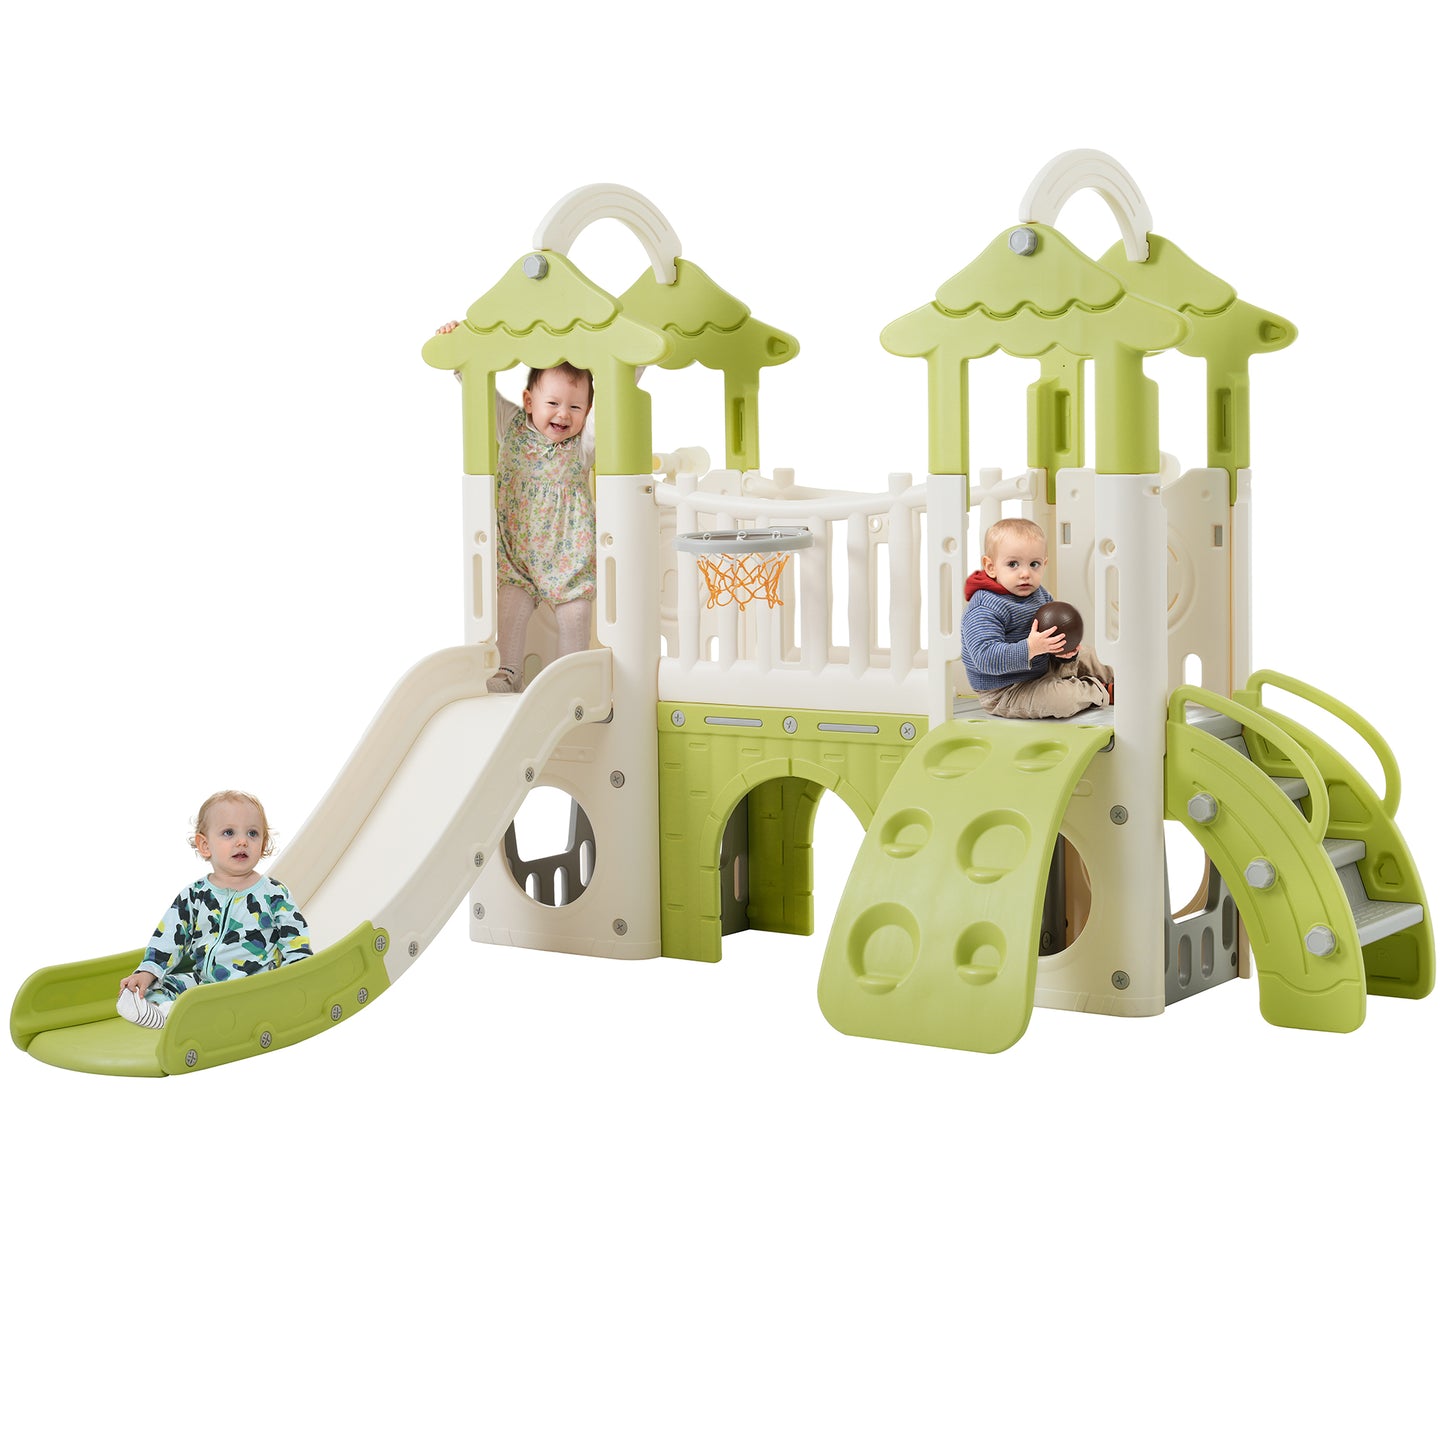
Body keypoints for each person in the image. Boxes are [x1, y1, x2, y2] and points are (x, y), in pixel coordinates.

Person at [436, 321, 596, 693]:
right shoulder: (511, 425)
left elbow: (611, 405)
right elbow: (481, 395)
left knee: (576, 615)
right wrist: (459, 353)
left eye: (575, 407)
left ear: (587, 411)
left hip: (567, 558)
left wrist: (631, 362)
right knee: (509, 609)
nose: (563, 414)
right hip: (517, 555)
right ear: (528, 402)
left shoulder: (582, 446)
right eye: (553, 404)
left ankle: (569, 680)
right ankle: (507, 673)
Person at [115, 791, 313, 1029]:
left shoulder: (273, 893)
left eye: (252, 833)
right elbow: (168, 938)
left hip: (252, 985)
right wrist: (146, 973)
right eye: (229, 833)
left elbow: (295, 939)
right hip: (204, 983)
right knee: (152, 989)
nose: (242, 841)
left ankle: (187, 1015)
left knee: (251, 997)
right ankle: (165, 1012)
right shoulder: (195, 894)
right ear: (205, 845)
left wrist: (294, 978)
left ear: (263, 844)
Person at [960, 517, 1113, 719]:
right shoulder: (984, 607)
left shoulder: (1039, 594)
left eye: (1034, 564)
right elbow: (985, 658)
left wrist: (1063, 652)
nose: (1025, 573)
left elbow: (1050, 637)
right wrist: (1030, 648)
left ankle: (1129, 677)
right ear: (991, 567)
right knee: (1063, 700)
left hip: (1043, 668)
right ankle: (1099, 690)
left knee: (1092, 655)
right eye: (1013, 564)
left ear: (1044, 564)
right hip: (1007, 689)